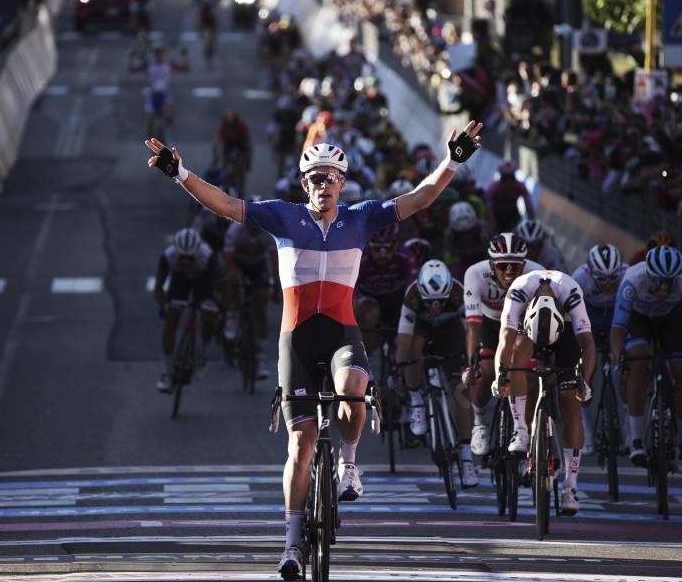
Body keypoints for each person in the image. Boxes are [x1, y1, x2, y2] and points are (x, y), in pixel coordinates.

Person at [146, 121, 484, 581]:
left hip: (341, 332)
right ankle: (290, 546)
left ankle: (348, 467)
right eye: (315, 178)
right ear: (304, 183)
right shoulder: (282, 216)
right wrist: (179, 173)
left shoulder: (362, 217)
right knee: (301, 444)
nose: (324, 184)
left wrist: (454, 160)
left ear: (343, 183)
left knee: (353, 389)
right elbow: (224, 204)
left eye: (332, 177)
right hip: (298, 339)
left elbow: (422, 197)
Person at [496, 269, 596, 515]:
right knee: (516, 356)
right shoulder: (519, 290)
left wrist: (585, 381)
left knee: (570, 404)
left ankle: (570, 486)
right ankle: (521, 430)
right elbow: (505, 339)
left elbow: (587, 343)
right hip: (527, 330)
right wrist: (501, 375)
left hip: (566, 335)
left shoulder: (570, 291)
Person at [610, 246, 682, 474]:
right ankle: (636, 440)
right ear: (649, 276)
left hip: (670, 318)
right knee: (637, 361)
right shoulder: (632, 280)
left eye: (670, 282)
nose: (665, 287)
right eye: (659, 282)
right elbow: (617, 330)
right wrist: (619, 361)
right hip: (638, 318)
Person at [395, 259, 481, 488]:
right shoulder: (412, 294)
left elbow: (471, 332)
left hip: (451, 333)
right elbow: (403, 340)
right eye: (430, 302)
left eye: (439, 302)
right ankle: (417, 404)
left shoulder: (459, 293)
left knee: (462, 392)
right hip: (422, 331)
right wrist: (400, 371)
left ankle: (465, 456)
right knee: (413, 349)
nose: (434, 307)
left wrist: (472, 364)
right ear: (422, 293)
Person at [462, 233, 544, 457]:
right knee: (485, 373)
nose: (509, 270)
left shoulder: (536, 273)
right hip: (489, 324)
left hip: (521, 323)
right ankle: (479, 422)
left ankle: (524, 434)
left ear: (524, 264)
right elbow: (473, 327)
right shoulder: (475, 274)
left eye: (515, 265)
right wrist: (472, 365)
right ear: (491, 265)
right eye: (503, 265)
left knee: (529, 376)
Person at [571, 243, 628, 454]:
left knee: (626, 364)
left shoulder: (628, 274)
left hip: (616, 316)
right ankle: (586, 430)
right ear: (590, 272)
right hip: (590, 318)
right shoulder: (579, 278)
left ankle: (630, 433)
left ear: (620, 272)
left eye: (613, 278)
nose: (608, 284)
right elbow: (571, 314)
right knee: (585, 370)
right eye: (602, 279)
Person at [154, 227, 226, 391]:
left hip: (203, 280)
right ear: (176, 252)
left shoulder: (208, 256)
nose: (186, 262)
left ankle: (202, 353)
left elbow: (224, 284)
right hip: (180, 281)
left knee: (208, 314)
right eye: (182, 258)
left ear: (197, 252)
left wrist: (223, 310)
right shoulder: (168, 256)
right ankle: (167, 371)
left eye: (190, 258)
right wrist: (164, 306)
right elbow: (158, 286)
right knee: (171, 318)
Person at [222, 210, 281, 380]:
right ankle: (233, 316)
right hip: (237, 264)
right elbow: (227, 259)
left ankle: (260, 359)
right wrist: (233, 278)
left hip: (257, 267)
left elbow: (274, 260)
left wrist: (276, 284)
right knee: (234, 284)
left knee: (261, 307)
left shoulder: (268, 232)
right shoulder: (234, 230)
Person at [354, 223, 418, 359]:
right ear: (369, 245)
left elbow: (412, 291)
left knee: (413, 314)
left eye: (388, 248)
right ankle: (365, 360)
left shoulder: (406, 256)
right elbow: (353, 296)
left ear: (395, 245)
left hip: (397, 300)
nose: (382, 254)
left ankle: (402, 361)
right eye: (377, 249)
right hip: (371, 300)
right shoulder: (360, 258)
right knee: (368, 313)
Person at [129, 44, 189, 140]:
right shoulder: (149, 64)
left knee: (169, 115)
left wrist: (185, 56)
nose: (158, 55)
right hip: (153, 96)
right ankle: (152, 143)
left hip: (164, 95)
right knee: (149, 123)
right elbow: (131, 70)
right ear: (154, 54)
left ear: (163, 54)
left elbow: (185, 69)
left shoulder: (169, 64)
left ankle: (169, 133)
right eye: (157, 53)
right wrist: (131, 57)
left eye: (160, 53)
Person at [443, 200, 491, 281]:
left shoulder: (483, 229)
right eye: (461, 233)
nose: (466, 237)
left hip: (481, 261)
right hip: (460, 265)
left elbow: (490, 253)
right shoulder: (449, 233)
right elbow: (448, 258)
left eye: (469, 232)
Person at [486, 160, 534, 232]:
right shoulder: (493, 188)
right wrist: (492, 229)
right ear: (501, 178)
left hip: (512, 215)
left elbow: (529, 209)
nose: (508, 182)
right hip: (496, 214)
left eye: (511, 178)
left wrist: (532, 227)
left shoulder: (521, 186)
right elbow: (487, 208)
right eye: (504, 179)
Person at [212, 110, 252, 197]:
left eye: (233, 126)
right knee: (225, 168)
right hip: (228, 146)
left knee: (241, 172)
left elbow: (249, 146)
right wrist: (215, 158)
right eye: (229, 127)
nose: (231, 129)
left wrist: (248, 162)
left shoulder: (242, 127)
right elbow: (215, 144)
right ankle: (226, 186)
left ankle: (241, 191)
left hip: (241, 146)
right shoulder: (222, 127)